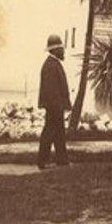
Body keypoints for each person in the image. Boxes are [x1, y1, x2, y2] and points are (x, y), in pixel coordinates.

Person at [37, 34, 72, 170]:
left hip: (55, 105)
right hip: (54, 106)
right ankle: (42, 160)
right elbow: (52, 90)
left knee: (58, 133)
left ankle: (61, 160)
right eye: (61, 49)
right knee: (50, 132)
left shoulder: (53, 64)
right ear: (55, 50)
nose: (63, 51)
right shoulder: (51, 66)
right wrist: (59, 106)